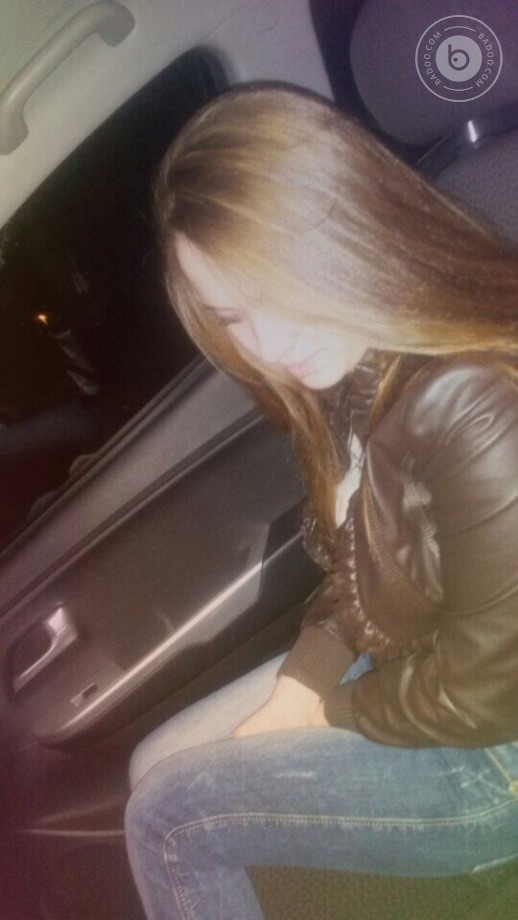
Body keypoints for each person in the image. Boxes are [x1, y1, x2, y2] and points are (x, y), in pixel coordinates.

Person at [125, 85, 518, 919]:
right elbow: (364, 560)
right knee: (154, 764)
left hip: (493, 753)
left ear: (345, 229)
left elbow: (490, 697)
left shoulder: (475, 400)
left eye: (274, 291)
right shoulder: (356, 366)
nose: (266, 346)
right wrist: (300, 684)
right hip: (416, 659)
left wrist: (327, 711)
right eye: (234, 315)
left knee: (167, 819)